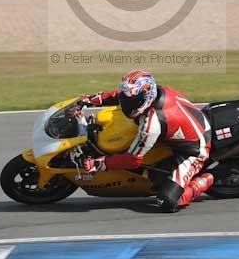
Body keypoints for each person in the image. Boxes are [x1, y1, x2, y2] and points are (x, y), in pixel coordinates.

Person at [78, 70, 213, 212]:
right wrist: (92, 99)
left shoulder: (152, 124)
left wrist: (100, 163)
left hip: (194, 149)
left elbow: (132, 160)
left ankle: (200, 184)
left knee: (167, 202)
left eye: (131, 100)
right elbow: (119, 94)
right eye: (126, 98)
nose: (126, 103)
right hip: (184, 129)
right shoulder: (149, 93)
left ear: (146, 98)